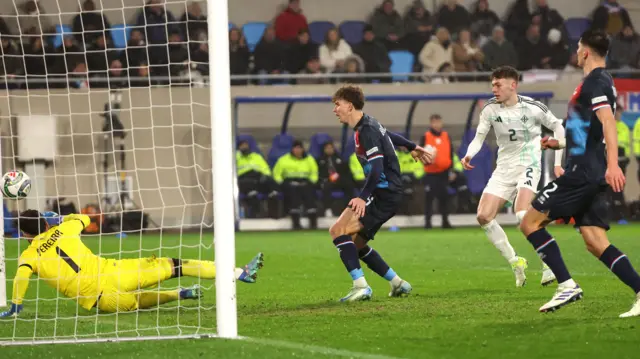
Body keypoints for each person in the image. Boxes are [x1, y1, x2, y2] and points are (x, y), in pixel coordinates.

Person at [519, 29, 640, 316]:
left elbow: (608, 123)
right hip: (591, 169)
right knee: (595, 241)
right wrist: (559, 142)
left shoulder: (595, 81)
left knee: (530, 222)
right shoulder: (600, 81)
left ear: (585, 51)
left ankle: (566, 285)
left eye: (577, 46)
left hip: (583, 172)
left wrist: (613, 164)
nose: (575, 51)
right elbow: (589, 130)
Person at [0, 211, 264, 317]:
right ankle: (240, 273)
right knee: (175, 265)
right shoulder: (66, 229)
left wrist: (16, 305)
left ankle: (179, 294)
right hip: (114, 272)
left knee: (135, 302)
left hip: (99, 299)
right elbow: (86, 218)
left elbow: (20, 278)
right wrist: (60, 217)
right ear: (47, 224)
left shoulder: (28, 256)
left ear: (23, 234)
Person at [461, 65, 565, 288]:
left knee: (521, 213)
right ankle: (516, 261)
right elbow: (479, 137)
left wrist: (557, 163)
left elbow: (558, 127)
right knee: (483, 215)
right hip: (504, 167)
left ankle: (548, 265)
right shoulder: (490, 109)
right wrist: (469, 154)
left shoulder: (532, 107)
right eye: (492, 85)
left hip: (529, 161)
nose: (494, 89)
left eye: (498, 85)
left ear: (513, 85)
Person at [329, 84, 433, 302]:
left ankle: (361, 286)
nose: (334, 109)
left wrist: (362, 196)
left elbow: (376, 168)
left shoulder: (366, 130)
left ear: (349, 105)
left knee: (338, 230)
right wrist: (411, 145)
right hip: (388, 194)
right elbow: (389, 135)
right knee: (355, 245)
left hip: (382, 193)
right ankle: (398, 284)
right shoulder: (368, 123)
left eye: (337, 104)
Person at [422, 114, 454, 229]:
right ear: (431, 123)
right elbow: (420, 154)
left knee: (444, 198)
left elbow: (451, 153)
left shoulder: (446, 136)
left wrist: (451, 170)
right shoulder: (426, 136)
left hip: (444, 172)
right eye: (434, 122)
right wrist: (429, 159)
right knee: (429, 198)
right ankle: (428, 223)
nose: (436, 125)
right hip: (431, 173)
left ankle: (445, 222)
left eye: (438, 122)